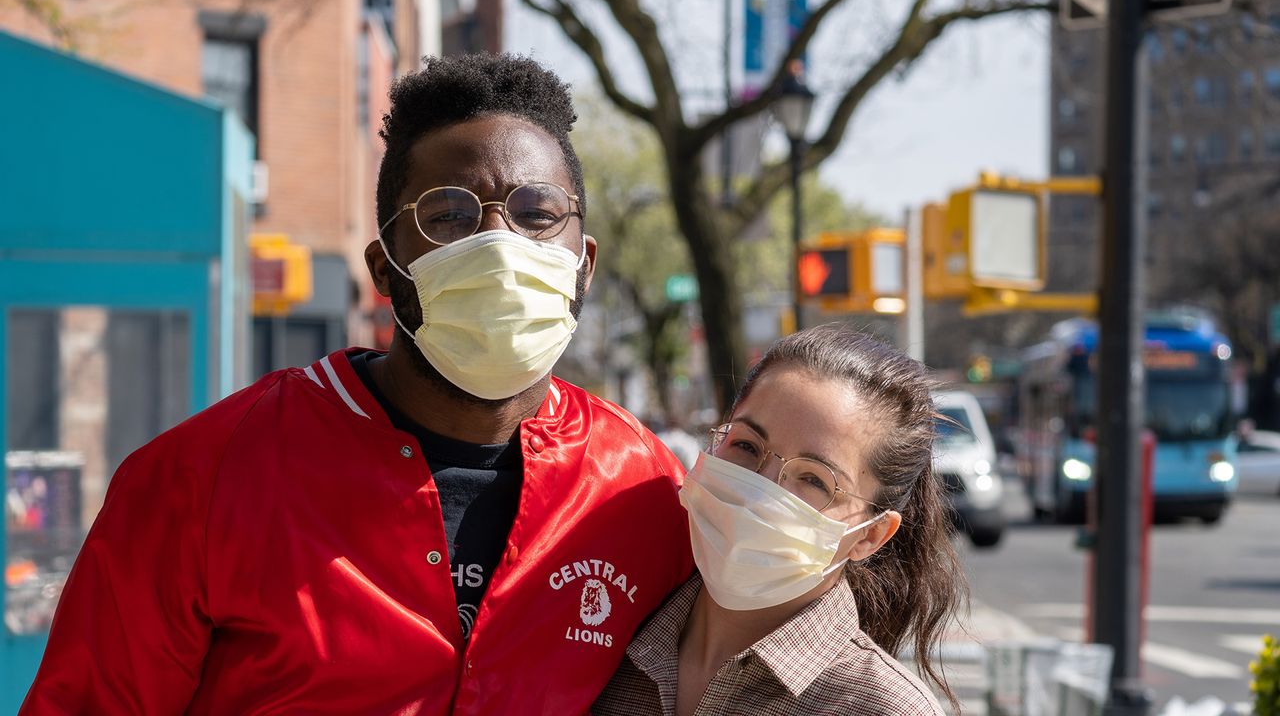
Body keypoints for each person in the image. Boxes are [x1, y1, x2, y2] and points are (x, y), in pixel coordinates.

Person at [21, 53, 694, 714]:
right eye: (450, 216)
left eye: (538, 213)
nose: (500, 244)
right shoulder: (200, 481)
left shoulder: (643, 491)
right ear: (384, 269)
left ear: (585, 265)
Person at [593, 325, 966, 715]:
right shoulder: (601, 639)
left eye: (813, 479)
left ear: (870, 535)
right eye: (746, 445)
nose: (759, 489)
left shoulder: (880, 707)